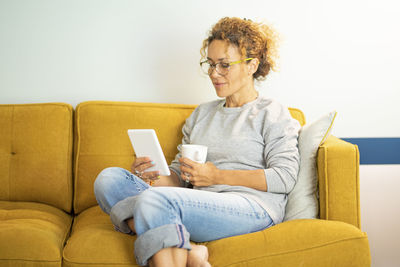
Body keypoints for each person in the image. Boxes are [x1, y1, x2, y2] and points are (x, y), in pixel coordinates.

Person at [94, 17, 300, 267]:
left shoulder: (272, 112)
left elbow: (285, 177)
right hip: (197, 205)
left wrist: (218, 177)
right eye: (211, 64)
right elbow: (180, 177)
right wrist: (153, 176)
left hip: (251, 206)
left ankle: (169, 230)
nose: (214, 74)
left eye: (224, 65)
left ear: (251, 65)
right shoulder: (201, 114)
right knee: (109, 180)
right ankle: (189, 249)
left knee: (155, 201)